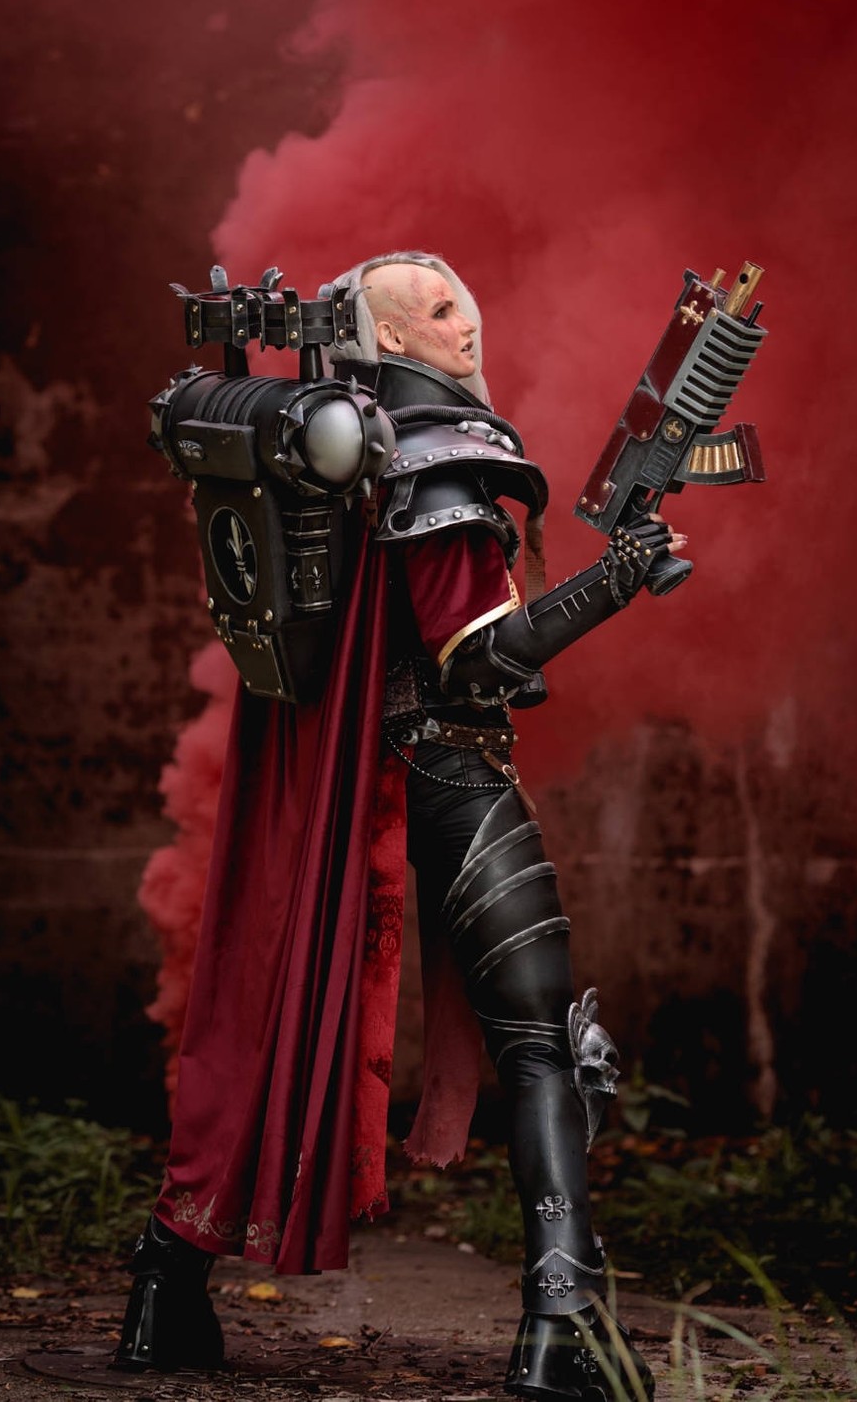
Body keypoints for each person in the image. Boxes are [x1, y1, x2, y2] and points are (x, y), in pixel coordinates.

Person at [116, 251, 686, 1402]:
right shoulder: (440, 461)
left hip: (365, 777)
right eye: (433, 310)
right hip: (451, 768)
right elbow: (482, 657)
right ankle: (560, 1331)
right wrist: (616, 580)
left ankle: (162, 1292)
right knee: (546, 1045)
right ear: (384, 339)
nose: (463, 324)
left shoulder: (340, 452)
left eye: (463, 301)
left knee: (279, 1015)